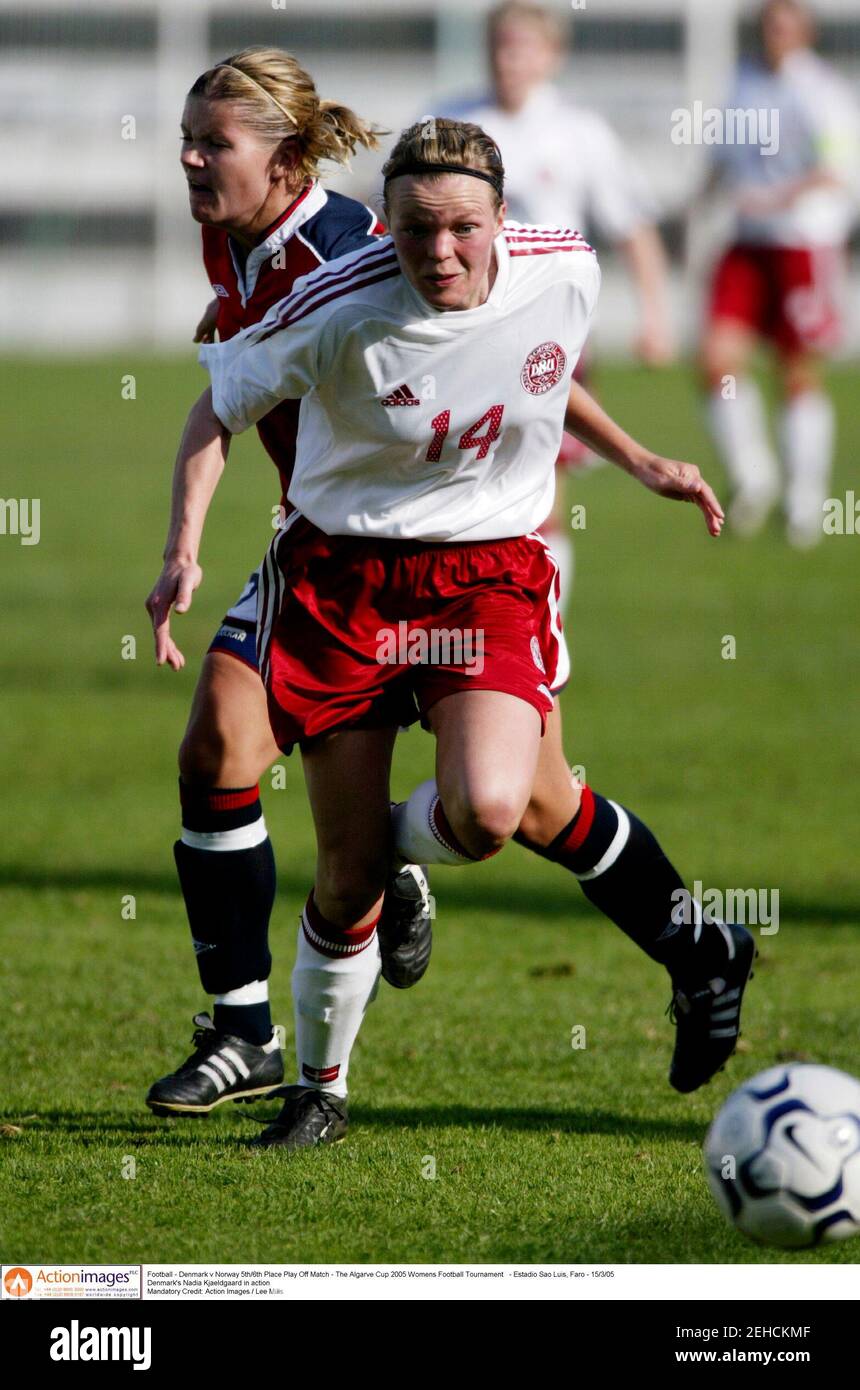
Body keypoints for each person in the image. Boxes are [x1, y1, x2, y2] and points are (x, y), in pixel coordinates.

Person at [152, 118, 755, 1151]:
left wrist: (643, 459)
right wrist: (183, 551)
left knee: (488, 806)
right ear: (380, 228)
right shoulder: (333, 306)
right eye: (416, 230)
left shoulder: (562, 266)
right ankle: (318, 1090)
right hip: (343, 581)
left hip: (483, 580)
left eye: (463, 229)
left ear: (502, 221)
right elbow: (218, 407)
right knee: (383, 859)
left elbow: (537, 363)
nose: (440, 253)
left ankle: (684, 945)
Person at [143, 47, 437, 1119]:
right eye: (188, 137)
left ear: (286, 157)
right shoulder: (238, 240)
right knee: (217, 747)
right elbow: (232, 390)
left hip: (422, 564)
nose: (189, 157)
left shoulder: (354, 251)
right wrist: (183, 549)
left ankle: (391, 863)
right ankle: (240, 1032)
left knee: (515, 807)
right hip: (313, 548)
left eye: (213, 142)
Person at [437, 0, 676, 603]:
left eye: (521, 46)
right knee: (454, 469)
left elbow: (633, 228)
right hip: (457, 330)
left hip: (547, 332)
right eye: (498, 44)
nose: (507, 58)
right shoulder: (449, 123)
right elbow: (392, 214)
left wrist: (656, 316)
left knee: (540, 479)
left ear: (550, 55)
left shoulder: (579, 133)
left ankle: (543, 632)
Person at [700, 0, 860, 547]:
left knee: (796, 370)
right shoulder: (742, 79)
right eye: (768, 22)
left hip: (802, 242)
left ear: (805, 29)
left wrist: (774, 198)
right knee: (716, 360)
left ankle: (805, 497)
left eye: (785, 22)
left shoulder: (822, 91)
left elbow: (833, 170)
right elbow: (723, 161)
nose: (775, 32)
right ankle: (753, 476)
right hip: (747, 243)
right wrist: (696, 204)